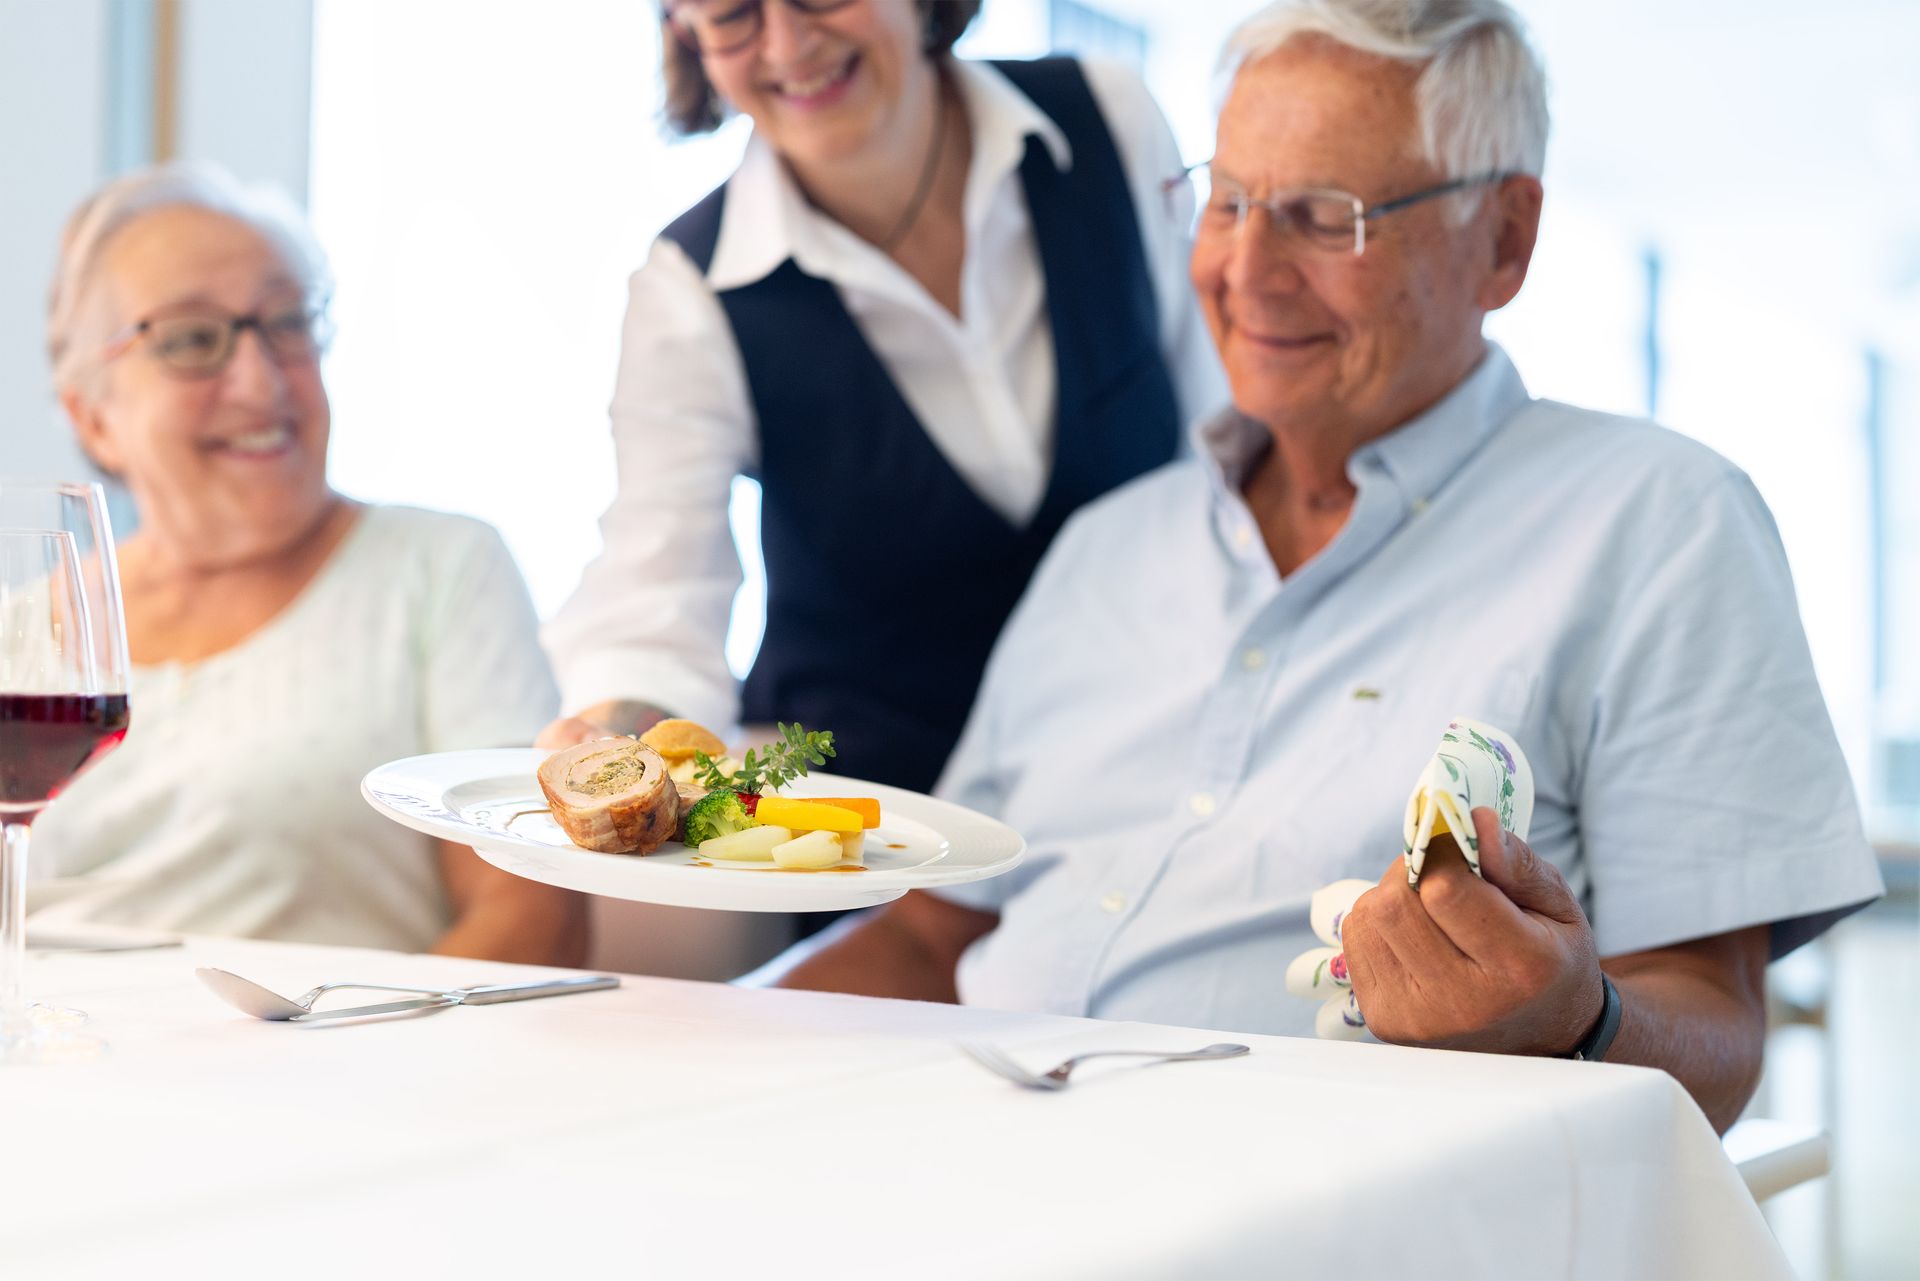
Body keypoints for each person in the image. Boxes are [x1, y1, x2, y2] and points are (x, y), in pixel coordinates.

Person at [775, 0, 1886, 1132]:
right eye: (1230, 201)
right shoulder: (1109, 546)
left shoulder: (1661, 522)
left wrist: (1575, 1020)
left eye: (1324, 216)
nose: (1247, 270)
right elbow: (933, 931)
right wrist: (708, 1035)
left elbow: (1718, 1026)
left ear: (1503, 240)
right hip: (958, 1158)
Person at [539, 0, 1224, 795]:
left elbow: (1229, 442)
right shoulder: (690, 291)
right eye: (733, 14)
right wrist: (618, 739)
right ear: (685, 35)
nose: (788, 46)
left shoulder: (1107, 121)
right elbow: (654, 599)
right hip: (874, 821)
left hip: (1152, 763)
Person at [31, 163, 586, 964]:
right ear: (96, 417)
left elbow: (533, 923)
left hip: (335, 1065)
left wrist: (353, 1075)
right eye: (191, 340)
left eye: (286, 323)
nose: (261, 382)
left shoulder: (439, 570)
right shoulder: (22, 633)